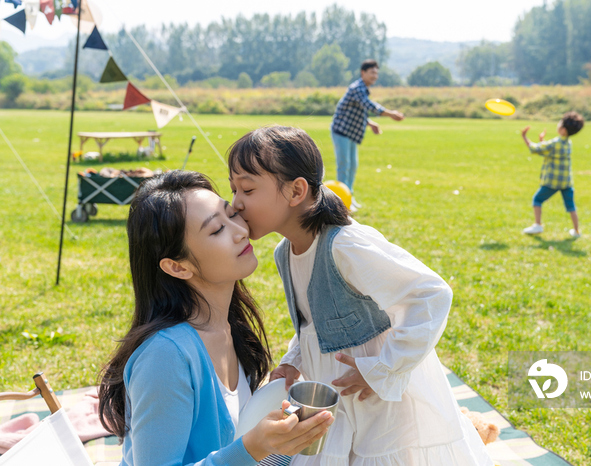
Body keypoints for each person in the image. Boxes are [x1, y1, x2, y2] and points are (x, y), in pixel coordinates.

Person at [228, 126, 493, 466]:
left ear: (296, 191)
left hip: (383, 405)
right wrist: (292, 362)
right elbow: (314, 322)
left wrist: (381, 368)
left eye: (247, 189)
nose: (235, 203)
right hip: (337, 399)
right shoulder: (285, 252)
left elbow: (431, 294)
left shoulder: (346, 245)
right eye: (234, 188)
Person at [98, 170, 334, 466]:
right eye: (216, 230)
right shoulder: (165, 357)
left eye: (232, 214)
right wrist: (252, 448)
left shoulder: (227, 328)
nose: (241, 230)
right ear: (178, 267)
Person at [330, 59, 404, 212]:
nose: (375, 76)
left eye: (376, 73)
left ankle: (348, 197)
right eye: (372, 72)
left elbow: (359, 110)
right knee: (344, 165)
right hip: (342, 131)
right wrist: (390, 114)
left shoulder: (362, 88)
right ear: (363, 72)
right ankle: (341, 203)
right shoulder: (357, 88)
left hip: (351, 132)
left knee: (353, 165)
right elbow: (369, 105)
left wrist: (370, 123)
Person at [520, 111, 585, 238]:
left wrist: (524, 136)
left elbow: (535, 149)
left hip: (552, 182)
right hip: (566, 182)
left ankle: (538, 225)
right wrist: (542, 141)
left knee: (537, 199)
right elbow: (550, 153)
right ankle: (576, 231)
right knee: (571, 206)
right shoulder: (568, 143)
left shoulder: (555, 143)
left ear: (563, 130)